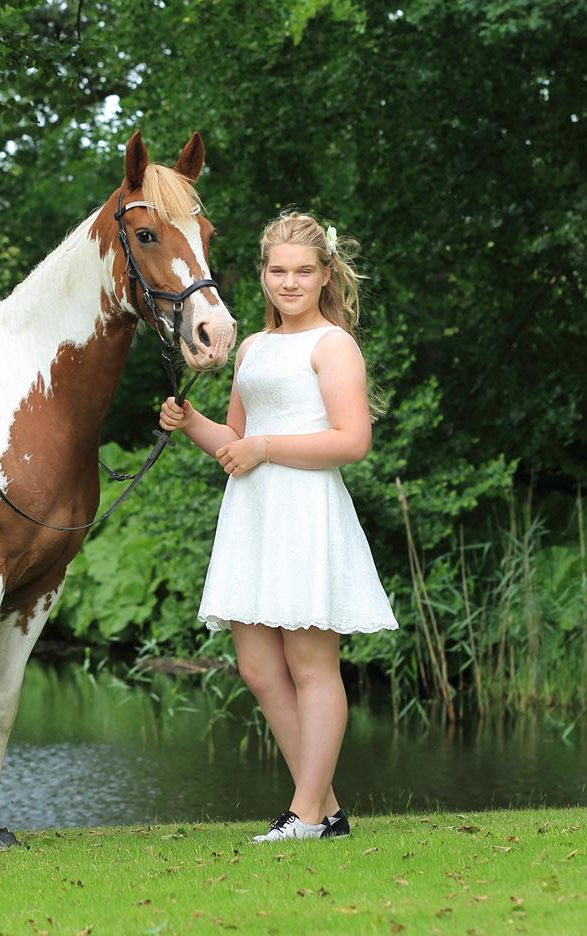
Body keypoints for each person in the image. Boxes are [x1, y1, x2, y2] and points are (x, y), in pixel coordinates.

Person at [159, 211, 397, 843]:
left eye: (302, 272)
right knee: (260, 670)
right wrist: (192, 424)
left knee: (312, 665)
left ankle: (307, 814)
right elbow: (235, 440)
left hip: (305, 509)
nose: (288, 283)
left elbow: (352, 441)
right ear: (263, 275)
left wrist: (263, 448)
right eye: (277, 271)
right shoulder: (254, 347)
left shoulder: (333, 345)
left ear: (325, 275)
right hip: (254, 511)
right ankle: (326, 811)